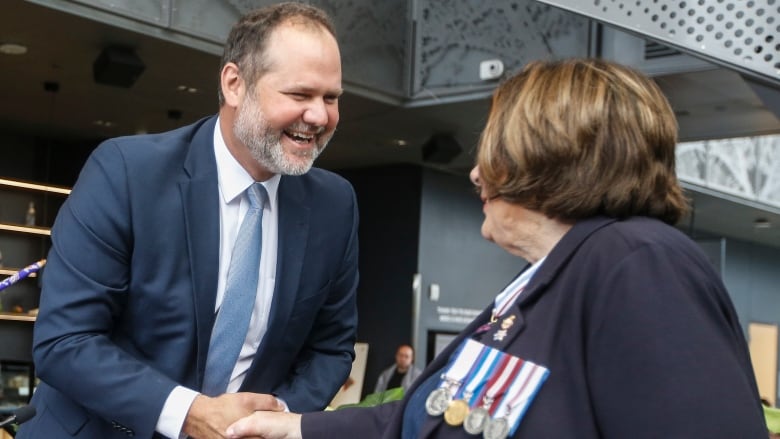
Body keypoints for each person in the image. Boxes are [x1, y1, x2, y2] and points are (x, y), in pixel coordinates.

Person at [223, 58, 768, 438]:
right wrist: (295, 427)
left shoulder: (641, 262)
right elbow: (422, 420)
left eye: (498, 149)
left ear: (550, 154)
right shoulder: (545, 280)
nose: (478, 173)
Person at [17, 3, 359, 438]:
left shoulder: (336, 204)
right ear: (235, 84)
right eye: (300, 95)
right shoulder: (126, 173)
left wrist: (276, 419)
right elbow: (65, 341)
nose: (320, 116)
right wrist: (189, 413)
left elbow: (330, 347)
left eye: (331, 98)